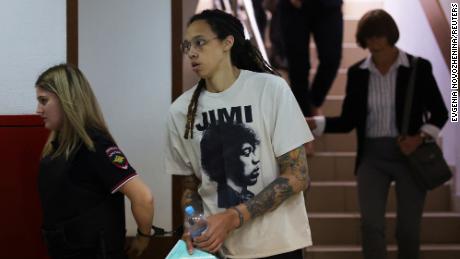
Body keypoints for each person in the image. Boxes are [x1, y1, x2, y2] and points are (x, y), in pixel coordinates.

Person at [164, 9, 313, 258]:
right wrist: (196, 224)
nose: (191, 52)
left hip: (278, 246)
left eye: (200, 42)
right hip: (219, 251)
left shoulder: (270, 89)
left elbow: (298, 174)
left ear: (227, 43)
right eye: (187, 45)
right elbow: (190, 186)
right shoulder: (180, 111)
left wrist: (234, 217)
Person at [307, 9, 448, 259]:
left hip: (410, 156)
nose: (374, 41)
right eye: (369, 37)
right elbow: (348, 121)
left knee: (408, 229)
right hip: (371, 157)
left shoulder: (418, 68)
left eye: (379, 35)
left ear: (390, 35)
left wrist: (419, 138)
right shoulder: (357, 73)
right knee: (371, 226)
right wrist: (314, 124)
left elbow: (440, 112)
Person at [35, 64, 155, 259]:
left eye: (44, 101)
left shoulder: (96, 145)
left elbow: (143, 197)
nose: (38, 110)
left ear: (66, 100)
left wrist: (143, 238)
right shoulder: (56, 147)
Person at [277, 0, 343, 116]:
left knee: (331, 59)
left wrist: (315, 100)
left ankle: (313, 103)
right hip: (292, 8)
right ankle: (303, 115)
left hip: (329, 6)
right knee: (298, 66)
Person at [201, 122, 261, 208]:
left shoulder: (249, 196)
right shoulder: (221, 199)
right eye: (247, 152)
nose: (256, 159)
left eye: (253, 151)